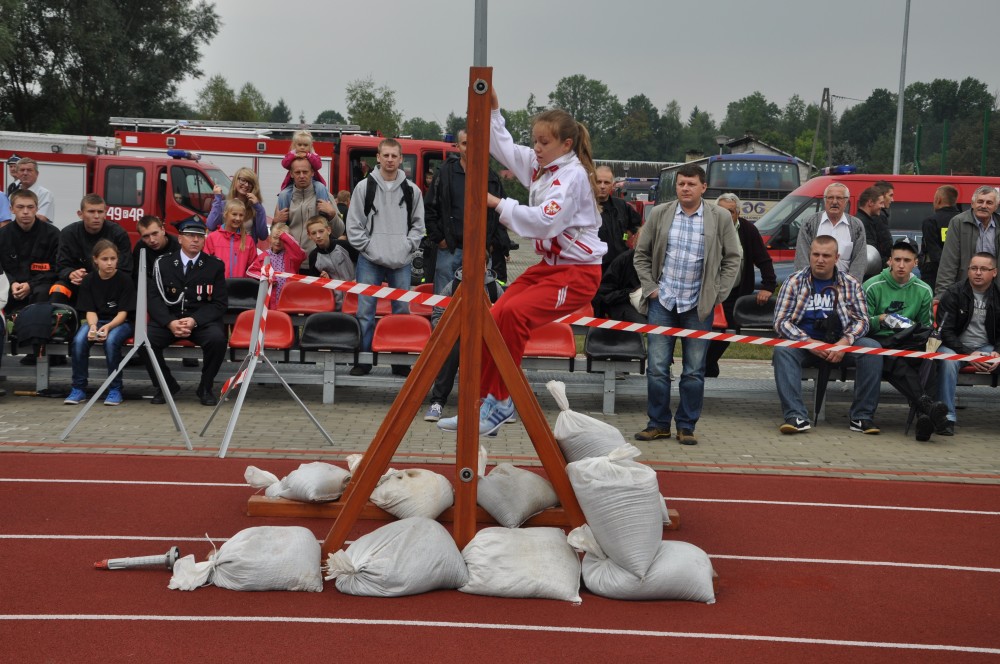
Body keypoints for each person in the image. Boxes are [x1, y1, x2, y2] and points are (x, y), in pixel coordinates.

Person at [437, 88, 606, 436]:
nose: (537, 148)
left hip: (577, 273)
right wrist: (494, 109)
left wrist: (496, 203)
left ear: (567, 144)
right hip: (550, 267)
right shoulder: (541, 165)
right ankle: (486, 404)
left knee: (514, 314)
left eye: (544, 142)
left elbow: (545, 220)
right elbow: (504, 148)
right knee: (494, 316)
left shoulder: (572, 177)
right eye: (536, 141)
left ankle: (502, 401)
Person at [632, 164, 741, 445]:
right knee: (657, 367)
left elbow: (733, 257)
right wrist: (651, 289)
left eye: (691, 184)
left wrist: (717, 293)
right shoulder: (660, 214)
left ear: (703, 187)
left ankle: (686, 425)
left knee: (693, 370)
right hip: (663, 302)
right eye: (681, 184)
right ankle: (657, 423)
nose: (685, 188)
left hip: (698, 305)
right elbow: (641, 255)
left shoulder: (719, 217)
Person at [772, 235, 883, 435]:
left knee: (873, 349)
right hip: (805, 344)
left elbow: (862, 321)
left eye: (826, 255)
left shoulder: (850, 283)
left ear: (836, 257)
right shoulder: (794, 281)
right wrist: (809, 342)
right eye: (816, 254)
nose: (820, 260)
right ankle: (795, 416)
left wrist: (844, 342)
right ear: (809, 255)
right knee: (782, 349)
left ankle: (861, 417)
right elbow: (781, 322)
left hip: (842, 344)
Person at [345, 138, 425, 376]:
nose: (390, 160)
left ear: (401, 159)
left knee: (401, 311)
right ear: (377, 158)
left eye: (394, 156)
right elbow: (354, 225)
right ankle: (364, 360)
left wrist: (407, 247)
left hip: (401, 261)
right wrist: (369, 248)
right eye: (386, 155)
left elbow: (419, 226)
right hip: (369, 260)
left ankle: (400, 360)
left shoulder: (413, 190)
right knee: (365, 312)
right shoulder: (363, 188)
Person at [863, 239, 947, 441]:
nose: (901, 265)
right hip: (879, 341)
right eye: (897, 259)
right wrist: (880, 319)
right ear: (889, 261)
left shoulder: (923, 289)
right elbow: (861, 324)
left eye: (907, 260)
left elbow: (925, 327)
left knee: (930, 361)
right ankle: (925, 409)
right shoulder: (872, 286)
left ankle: (924, 415)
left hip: (910, 341)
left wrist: (924, 343)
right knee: (897, 361)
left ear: (915, 263)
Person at [145, 218, 228, 406]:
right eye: (190, 235)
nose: (196, 240)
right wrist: (169, 322)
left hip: (200, 321)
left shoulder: (214, 265)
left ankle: (205, 387)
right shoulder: (163, 264)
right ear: (180, 238)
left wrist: (194, 320)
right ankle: (165, 385)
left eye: (200, 236)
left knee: (217, 340)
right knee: (145, 341)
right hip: (170, 319)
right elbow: (154, 298)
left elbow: (219, 303)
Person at [424, 128, 506, 294]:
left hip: (481, 252)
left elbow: (501, 213)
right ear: (457, 146)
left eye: (474, 144)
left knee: (480, 301)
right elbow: (430, 208)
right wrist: (440, 239)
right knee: (444, 305)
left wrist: (492, 244)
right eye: (465, 143)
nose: (470, 147)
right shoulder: (445, 175)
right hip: (450, 250)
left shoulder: (491, 178)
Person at [704, 192, 777, 378]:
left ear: (738, 213)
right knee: (705, 331)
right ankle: (706, 366)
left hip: (735, 293)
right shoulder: (706, 227)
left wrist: (768, 287)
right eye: (721, 211)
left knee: (726, 331)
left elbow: (763, 259)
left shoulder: (748, 230)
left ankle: (708, 364)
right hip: (708, 292)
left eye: (730, 212)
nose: (726, 216)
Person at [423, 264, 504, 423]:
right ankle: (437, 402)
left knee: (498, 357)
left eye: (482, 265)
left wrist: (493, 335)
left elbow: (504, 313)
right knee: (449, 354)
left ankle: (500, 403)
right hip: (457, 337)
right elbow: (438, 314)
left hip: (485, 337)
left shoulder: (494, 287)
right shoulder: (452, 286)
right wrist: (448, 334)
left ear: (486, 267)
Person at [935, 252, 1000, 435]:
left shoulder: (998, 296)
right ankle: (946, 418)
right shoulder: (953, 293)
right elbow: (944, 331)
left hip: (987, 348)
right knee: (948, 362)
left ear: (994, 272)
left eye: (983, 269)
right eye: (973, 268)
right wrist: (967, 353)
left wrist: (997, 351)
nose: (977, 273)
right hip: (954, 346)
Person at [64, 240, 136, 407]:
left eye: (113, 258)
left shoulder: (125, 280)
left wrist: (108, 327)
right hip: (97, 321)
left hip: (120, 322)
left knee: (111, 342)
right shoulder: (89, 280)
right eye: (105, 259)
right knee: (79, 341)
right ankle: (78, 388)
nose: (109, 263)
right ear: (95, 259)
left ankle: (115, 388)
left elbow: (123, 313)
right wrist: (93, 327)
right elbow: (90, 311)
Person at [52, 194, 133, 307]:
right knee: (58, 288)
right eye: (91, 211)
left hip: (109, 283)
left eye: (100, 212)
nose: (96, 216)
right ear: (80, 214)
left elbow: (125, 269)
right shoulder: (68, 233)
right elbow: (61, 266)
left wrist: (93, 278)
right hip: (77, 284)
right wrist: (71, 274)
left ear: (105, 213)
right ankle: (60, 322)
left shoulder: (118, 234)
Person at [0, 190, 60, 317]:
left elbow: (57, 267)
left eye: (30, 207)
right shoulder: (2, 235)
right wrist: (12, 283)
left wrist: (30, 285)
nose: (25, 211)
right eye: (20, 207)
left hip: (40, 286)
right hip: (9, 286)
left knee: (43, 291)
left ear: (37, 208)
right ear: (11, 209)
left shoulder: (53, 234)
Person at [793, 182, 868, 282]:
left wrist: (850, 286)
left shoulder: (856, 226)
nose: (834, 202)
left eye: (839, 198)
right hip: (813, 285)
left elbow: (859, 260)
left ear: (846, 201)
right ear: (825, 200)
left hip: (844, 287)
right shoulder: (810, 223)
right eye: (830, 198)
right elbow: (802, 258)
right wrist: (807, 284)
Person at [934, 185, 1000, 297]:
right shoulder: (958, 222)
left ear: (996, 207)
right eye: (980, 201)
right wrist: (942, 296)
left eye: (989, 203)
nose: (983, 206)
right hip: (964, 292)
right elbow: (948, 263)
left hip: (995, 293)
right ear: (972, 203)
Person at [274, 156, 338, 253]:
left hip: (318, 260)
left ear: (312, 172)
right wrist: (275, 222)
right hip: (291, 260)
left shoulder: (325, 196)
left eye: (305, 172)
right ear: (291, 174)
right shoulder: (284, 197)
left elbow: (340, 231)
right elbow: (275, 231)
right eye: (297, 172)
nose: (302, 176)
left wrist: (332, 215)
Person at [247, 222, 306, 309]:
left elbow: (301, 255)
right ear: (270, 238)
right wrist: (266, 277)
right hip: (269, 300)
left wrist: (285, 236)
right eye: (275, 238)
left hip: (288, 300)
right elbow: (250, 271)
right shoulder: (264, 255)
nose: (278, 241)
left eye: (282, 239)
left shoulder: (291, 256)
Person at [594, 165, 641, 273]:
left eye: (606, 183)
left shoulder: (622, 206)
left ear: (613, 185)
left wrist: (623, 237)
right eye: (598, 182)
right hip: (595, 267)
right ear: (592, 182)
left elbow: (635, 223)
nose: (602, 186)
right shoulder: (585, 207)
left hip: (619, 266)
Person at [205, 167, 268, 242]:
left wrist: (258, 207)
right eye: (243, 180)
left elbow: (263, 236)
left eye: (250, 182)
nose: (246, 185)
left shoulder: (255, 207)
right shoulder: (223, 205)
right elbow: (211, 226)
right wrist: (217, 198)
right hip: (225, 249)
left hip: (247, 251)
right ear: (235, 181)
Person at [918, 185, 960, 290]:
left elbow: (933, 251)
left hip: (934, 275)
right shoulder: (962, 220)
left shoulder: (931, 221)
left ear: (938, 199)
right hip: (959, 273)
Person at [204, 199, 258, 278]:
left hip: (239, 287)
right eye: (234, 214)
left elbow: (253, 268)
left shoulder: (248, 241)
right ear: (226, 214)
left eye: (241, 215)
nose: (238, 218)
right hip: (218, 287)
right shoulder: (213, 237)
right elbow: (206, 265)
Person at [132, 215, 179, 283]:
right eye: (146, 236)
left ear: (163, 230)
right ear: (141, 238)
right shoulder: (140, 247)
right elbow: (137, 277)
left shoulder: (178, 246)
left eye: (154, 234)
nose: (152, 240)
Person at [856, 186, 892, 263]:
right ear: (870, 203)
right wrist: (886, 263)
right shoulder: (862, 223)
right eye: (881, 203)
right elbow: (870, 254)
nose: (882, 206)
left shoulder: (865, 221)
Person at [15, 158, 54, 223]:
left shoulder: (45, 194)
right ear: (17, 174)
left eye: (29, 170)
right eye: (22, 170)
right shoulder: (13, 193)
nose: (25, 173)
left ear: (37, 174)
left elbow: (41, 218)